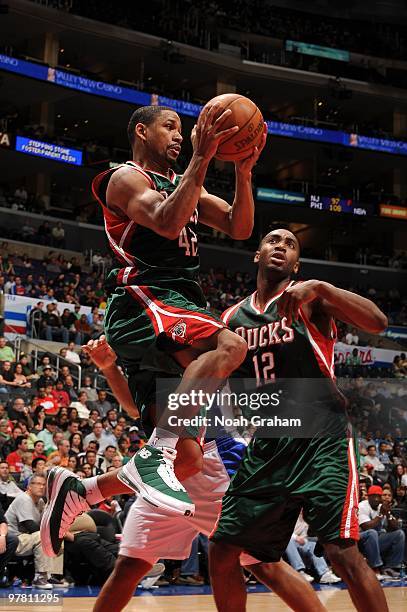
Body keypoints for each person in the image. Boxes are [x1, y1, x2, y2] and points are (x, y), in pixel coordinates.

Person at [41, 337, 326, 612]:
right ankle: (83, 491)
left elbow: (191, 457)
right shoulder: (165, 356)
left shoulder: (197, 353)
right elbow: (135, 408)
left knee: (260, 562)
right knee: (131, 563)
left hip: (215, 464)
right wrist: (109, 369)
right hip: (169, 468)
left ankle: (83, 490)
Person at [83, 103, 267, 514]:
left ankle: (84, 491)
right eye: (170, 127)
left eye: (184, 130)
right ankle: (155, 454)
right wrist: (202, 156)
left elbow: (240, 225)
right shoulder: (126, 177)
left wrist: (242, 170)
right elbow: (166, 221)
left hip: (179, 302)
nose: (181, 136)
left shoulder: (188, 186)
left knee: (189, 460)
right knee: (231, 348)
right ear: (142, 133)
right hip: (145, 297)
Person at [208, 229, 389, 612]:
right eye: (273, 241)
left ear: (296, 265)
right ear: (257, 255)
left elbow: (377, 322)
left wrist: (322, 287)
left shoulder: (310, 300)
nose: (281, 247)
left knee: (341, 553)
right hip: (268, 443)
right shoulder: (230, 318)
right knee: (223, 551)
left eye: (290, 245)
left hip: (321, 438)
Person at [6, 475, 66, 588]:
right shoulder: (23, 499)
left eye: (44, 485)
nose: (42, 487)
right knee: (42, 537)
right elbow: (30, 526)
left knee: (57, 537)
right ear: (29, 486)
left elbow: (47, 524)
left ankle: (52, 575)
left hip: (27, 538)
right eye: (38, 484)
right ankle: (40, 577)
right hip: (13, 540)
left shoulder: (40, 502)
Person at [358, 485, 405, 580]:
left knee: (399, 534)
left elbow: (395, 526)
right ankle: (376, 568)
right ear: (368, 496)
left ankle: (391, 567)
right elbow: (365, 527)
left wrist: (387, 514)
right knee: (372, 533)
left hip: (376, 540)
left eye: (378, 496)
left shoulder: (382, 506)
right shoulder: (363, 505)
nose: (376, 498)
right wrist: (380, 515)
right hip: (361, 540)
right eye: (373, 496)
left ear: (381, 498)